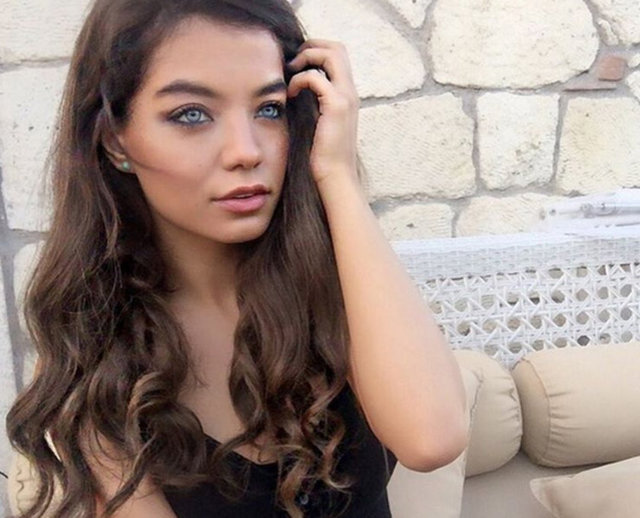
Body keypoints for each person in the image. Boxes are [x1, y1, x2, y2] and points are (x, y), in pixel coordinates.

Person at [6, 0, 468, 516]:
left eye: (269, 109)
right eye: (191, 114)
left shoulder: (338, 289)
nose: (246, 151)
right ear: (116, 140)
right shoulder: (93, 351)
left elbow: (432, 439)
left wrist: (338, 176)